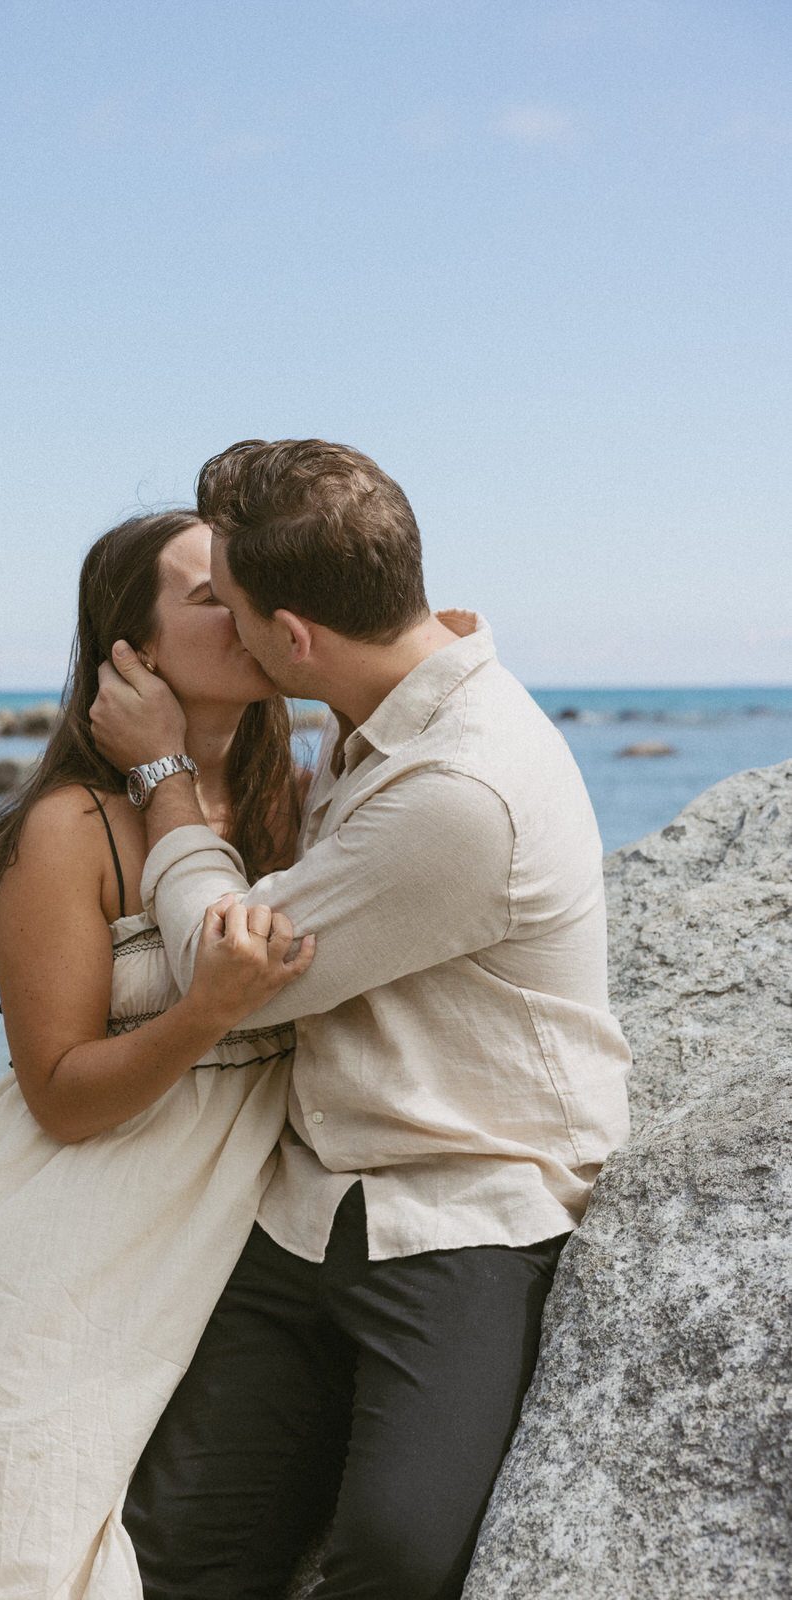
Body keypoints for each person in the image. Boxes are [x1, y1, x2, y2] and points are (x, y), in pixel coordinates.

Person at [89, 439, 634, 1600]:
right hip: (302, 1204)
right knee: (171, 1545)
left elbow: (220, 957)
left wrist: (162, 779)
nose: (222, 636)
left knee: (396, 1551)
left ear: (293, 637)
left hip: (462, 1207)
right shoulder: (360, 703)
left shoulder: (459, 789)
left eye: (229, 611)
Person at [0, 510, 314, 1600]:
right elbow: (56, 1094)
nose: (240, 606)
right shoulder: (73, 825)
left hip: (217, 1249)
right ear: (131, 649)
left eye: (246, 586)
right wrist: (203, 1012)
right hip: (58, 1244)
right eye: (207, 594)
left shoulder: (292, 799)